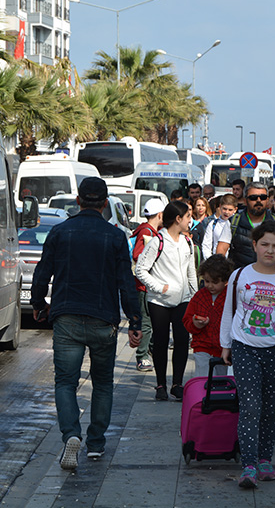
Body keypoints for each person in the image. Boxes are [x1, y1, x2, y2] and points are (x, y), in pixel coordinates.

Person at [31, 177, 142, 471]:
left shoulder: (59, 232)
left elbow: (42, 273)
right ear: (105, 204)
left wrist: (39, 305)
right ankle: (96, 443)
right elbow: (126, 283)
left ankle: (71, 435)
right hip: (102, 318)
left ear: (78, 201)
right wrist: (135, 319)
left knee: (65, 382)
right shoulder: (116, 236)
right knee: (103, 383)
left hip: (66, 316)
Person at [220, 221, 275, 488]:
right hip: (244, 349)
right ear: (255, 245)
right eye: (265, 244)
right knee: (250, 407)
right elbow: (229, 312)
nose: (270, 251)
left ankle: (264, 459)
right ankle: (248, 465)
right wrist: (225, 344)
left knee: (271, 410)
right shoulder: (239, 276)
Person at [135, 200, 198, 401]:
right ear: (178, 219)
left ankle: (177, 384)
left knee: (181, 341)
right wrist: (158, 287)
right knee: (160, 341)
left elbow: (191, 273)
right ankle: (160, 385)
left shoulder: (188, 242)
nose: (191, 220)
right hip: (159, 302)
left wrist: (195, 297)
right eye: (188, 216)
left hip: (183, 300)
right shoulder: (157, 242)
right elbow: (140, 270)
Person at [183, 255, 233, 377]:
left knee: (222, 382)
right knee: (203, 380)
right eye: (206, 281)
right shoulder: (200, 296)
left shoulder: (230, 297)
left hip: (223, 349)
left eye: (215, 282)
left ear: (226, 281)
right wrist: (195, 323)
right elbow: (186, 320)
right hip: (202, 347)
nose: (210, 285)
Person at [131, 198, 165, 372]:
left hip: (145, 284)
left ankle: (150, 348)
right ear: (160, 214)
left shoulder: (149, 230)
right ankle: (142, 357)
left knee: (150, 320)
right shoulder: (146, 231)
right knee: (145, 321)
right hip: (143, 285)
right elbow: (137, 255)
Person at [227, 182, 275, 269]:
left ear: (267, 200)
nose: (258, 201)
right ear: (245, 200)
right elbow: (222, 250)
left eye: (263, 197)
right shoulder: (233, 222)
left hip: (270, 276)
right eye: (253, 198)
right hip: (242, 276)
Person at [202, 193, 237, 259]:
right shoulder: (213, 224)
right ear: (220, 206)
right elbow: (206, 245)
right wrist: (210, 261)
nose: (227, 212)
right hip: (216, 260)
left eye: (230, 210)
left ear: (235, 209)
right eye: (224, 209)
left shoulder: (237, 224)